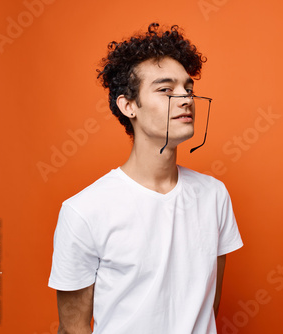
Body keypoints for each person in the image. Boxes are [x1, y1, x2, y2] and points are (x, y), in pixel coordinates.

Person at [48, 23, 243, 334]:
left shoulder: (214, 195)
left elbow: (208, 305)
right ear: (128, 106)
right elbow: (73, 328)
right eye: (166, 90)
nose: (185, 99)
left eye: (188, 89)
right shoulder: (84, 210)